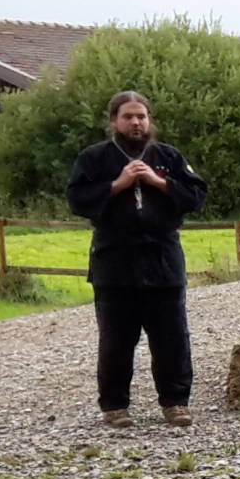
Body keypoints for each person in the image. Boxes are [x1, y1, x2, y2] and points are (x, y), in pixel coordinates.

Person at [66, 91, 209, 429]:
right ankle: (115, 406)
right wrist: (118, 184)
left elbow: (196, 195)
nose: (135, 123)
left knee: (172, 337)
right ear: (114, 121)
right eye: (128, 116)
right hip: (114, 260)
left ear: (149, 120)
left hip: (162, 259)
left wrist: (159, 182)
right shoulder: (94, 158)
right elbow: (77, 199)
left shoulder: (168, 157)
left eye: (141, 116)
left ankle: (175, 403)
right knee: (116, 339)